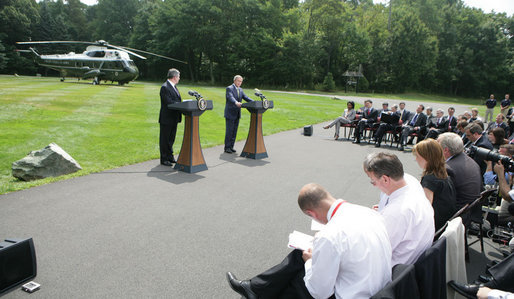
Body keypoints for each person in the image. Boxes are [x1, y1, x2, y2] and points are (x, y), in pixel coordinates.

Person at [226, 183, 393, 299]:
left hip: (354, 293)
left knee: (296, 282)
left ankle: (256, 290)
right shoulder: (369, 213)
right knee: (300, 256)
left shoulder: (329, 234)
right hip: (377, 286)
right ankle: (255, 288)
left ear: (312, 214)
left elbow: (319, 292)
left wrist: (310, 262)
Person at [363, 152, 435, 266]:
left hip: (394, 269)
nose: (374, 185)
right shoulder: (411, 182)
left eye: (373, 181)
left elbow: (372, 252)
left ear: (386, 179)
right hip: (414, 260)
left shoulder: (396, 213)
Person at [437, 132, 482, 226]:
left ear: (445, 150)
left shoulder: (448, 168)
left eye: (436, 146)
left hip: (456, 215)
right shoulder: (471, 161)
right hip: (469, 211)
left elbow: (439, 198)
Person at [412, 139, 457, 231]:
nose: (416, 159)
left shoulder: (429, 179)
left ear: (427, 157)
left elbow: (424, 208)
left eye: (417, 156)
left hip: (435, 226)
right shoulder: (443, 174)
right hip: (445, 221)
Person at [484, 144, 514, 226]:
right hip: (506, 204)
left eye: (502, 155)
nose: (498, 157)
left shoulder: (509, 171)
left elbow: (489, 181)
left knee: (498, 218)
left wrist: (490, 165)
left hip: (507, 209)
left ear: (510, 157)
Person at [159, 68, 182, 166]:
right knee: (165, 139)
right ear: (174, 77)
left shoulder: (174, 87)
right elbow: (168, 102)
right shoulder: (165, 87)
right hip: (167, 118)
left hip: (174, 118)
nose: (179, 78)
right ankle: (164, 159)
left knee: (171, 139)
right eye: (179, 76)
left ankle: (170, 156)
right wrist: (180, 104)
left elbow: (176, 100)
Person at [224, 75, 253, 153]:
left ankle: (231, 146)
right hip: (230, 113)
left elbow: (246, 97)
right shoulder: (229, 88)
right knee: (229, 131)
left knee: (234, 131)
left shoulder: (240, 89)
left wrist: (254, 102)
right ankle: (227, 147)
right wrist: (236, 102)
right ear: (234, 81)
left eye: (241, 81)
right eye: (238, 81)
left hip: (237, 113)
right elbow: (230, 97)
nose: (240, 83)